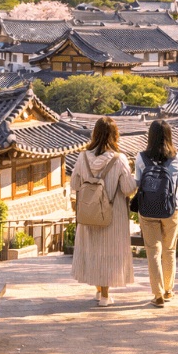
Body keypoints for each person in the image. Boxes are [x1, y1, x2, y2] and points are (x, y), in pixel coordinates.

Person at [70, 116, 137, 307]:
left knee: (94, 250)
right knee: (109, 251)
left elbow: (74, 183)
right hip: (112, 213)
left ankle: (99, 291)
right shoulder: (119, 159)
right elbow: (128, 188)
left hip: (89, 211)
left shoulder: (82, 157)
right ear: (115, 135)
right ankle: (106, 296)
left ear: (95, 134)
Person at [134, 120, 178, 308]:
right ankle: (169, 290)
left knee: (153, 251)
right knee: (169, 250)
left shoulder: (141, 158)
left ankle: (157, 294)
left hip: (147, 209)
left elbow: (138, 182)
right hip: (172, 208)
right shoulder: (177, 158)